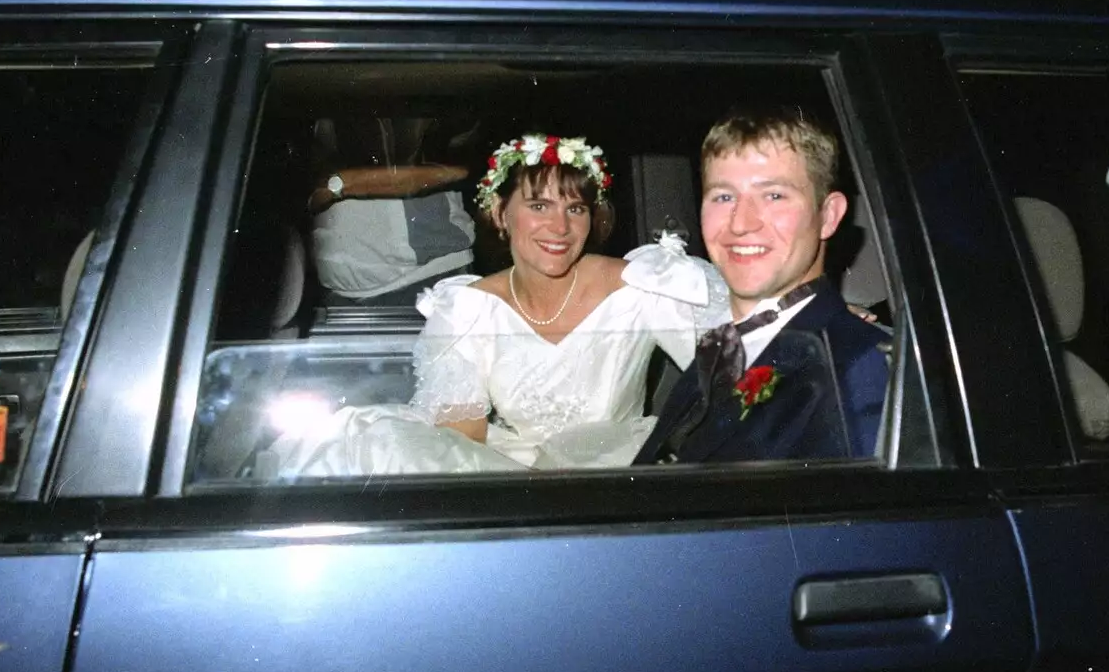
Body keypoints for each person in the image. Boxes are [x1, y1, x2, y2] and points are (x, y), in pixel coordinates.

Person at [268, 134, 729, 477]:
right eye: (539, 206)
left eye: (575, 209)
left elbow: (739, 371)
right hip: (508, 471)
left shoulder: (643, 284)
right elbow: (459, 445)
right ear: (500, 213)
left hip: (616, 472)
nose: (559, 227)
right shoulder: (466, 309)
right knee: (365, 439)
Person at [634, 107, 890, 465]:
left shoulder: (856, 370)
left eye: (773, 196)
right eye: (724, 197)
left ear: (828, 216)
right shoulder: (724, 342)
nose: (740, 223)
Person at [306, 117, 479, 307]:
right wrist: (342, 183)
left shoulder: (433, 115)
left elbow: (456, 172)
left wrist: (344, 183)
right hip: (343, 295)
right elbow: (319, 192)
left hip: (430, 273)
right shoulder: (327, 121)